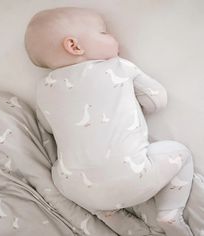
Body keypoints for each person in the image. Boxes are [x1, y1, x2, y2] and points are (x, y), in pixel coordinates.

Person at [25, 7, 194, 236]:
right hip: (133, 179)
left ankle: (112, 218)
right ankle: (169, 213)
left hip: (78, 190)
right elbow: (157, 101)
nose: (113, 37)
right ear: (74, 46)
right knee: (180, 153)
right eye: (104, 32)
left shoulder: (43, 88)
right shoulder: (118, 67)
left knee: (61, 173)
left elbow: (48, 127)